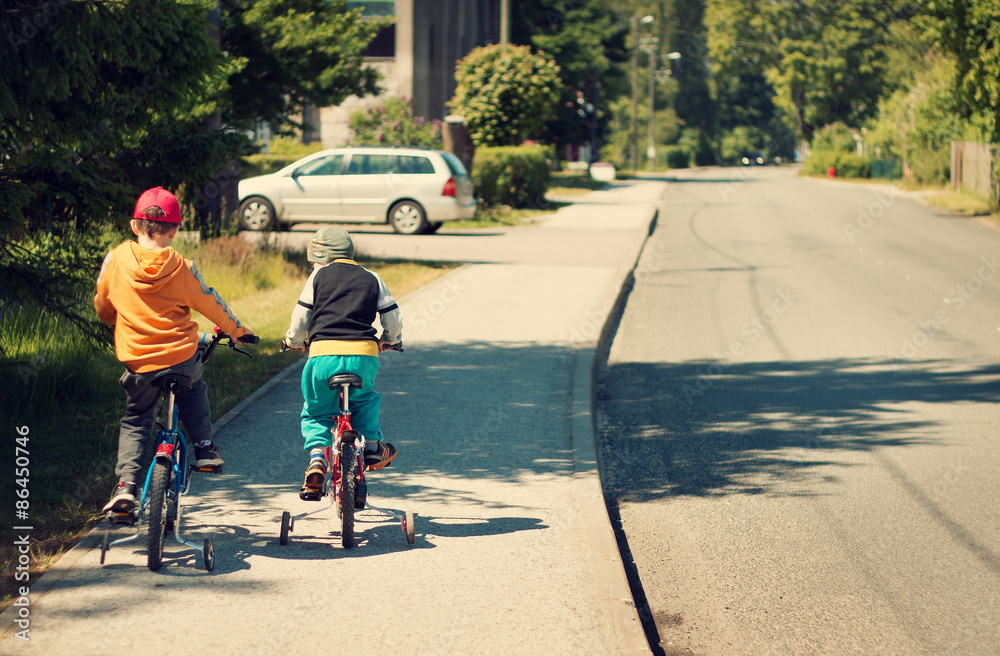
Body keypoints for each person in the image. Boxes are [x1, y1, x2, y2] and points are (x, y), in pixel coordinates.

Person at [95, 187, 254, 514]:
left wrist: (115, 317)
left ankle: (126, 486)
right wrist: (238, 331)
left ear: (133, 225)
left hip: (140, 361)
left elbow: (102, 305)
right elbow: (211, 303)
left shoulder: (115, 260)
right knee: (194, 387)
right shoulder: (182, 266)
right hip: (181, 356)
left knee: (137, 418)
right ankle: (205, 448)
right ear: (175, 230)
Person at [282, 225, 402, 501]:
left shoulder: (317, 277)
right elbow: (392, 318)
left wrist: (292, 341)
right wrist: (390, 339)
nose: (313, 265)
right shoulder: (372, 277)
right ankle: (371, 446)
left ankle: (317, 462)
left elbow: (301, 319)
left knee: (317, 411)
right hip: (363, 355)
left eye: (313, 260)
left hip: (322, 356)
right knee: (364, 400)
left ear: (322, 257)